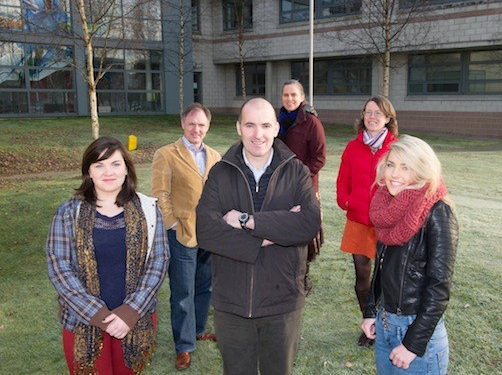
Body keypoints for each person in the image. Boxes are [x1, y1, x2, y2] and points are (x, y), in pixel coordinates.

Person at [196, 97, 321, 375]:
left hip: (282, 302)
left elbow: (308, 224)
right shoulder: (220, 173)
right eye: (250, 125)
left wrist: (246, 221)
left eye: (265, 125)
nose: (258, 134)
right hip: (232, 304)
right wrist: (272, 233)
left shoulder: (297, 171)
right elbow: (206, 231)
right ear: (239, 128)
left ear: (276, 128)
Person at [46, 136, 169, 374]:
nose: (108, 172)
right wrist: (98, 315)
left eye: (115, 164)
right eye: (99, 165)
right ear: (88, 172)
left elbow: (158, 262)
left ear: (126, 169)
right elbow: (59, 267)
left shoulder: (149, 210)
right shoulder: (68, 212)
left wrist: (130, 312)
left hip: (136, 320)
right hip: (82, 321)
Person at [361, 135, 459, 374]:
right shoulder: (386, 207)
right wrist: (372, 311)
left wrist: (412, 344)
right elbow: (382, 268)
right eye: (391, 165)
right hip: (385, 325)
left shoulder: (437, 212)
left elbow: (439, 288)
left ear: (422, 170)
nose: (394, 174)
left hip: (416, 335)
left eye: (406, 167)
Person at [151, 102, 222, 370]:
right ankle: (183, 345)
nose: (196, 129)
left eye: (202, 124)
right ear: (183, 123)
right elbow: (160, 193)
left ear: (208, 127)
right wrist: (172, 224)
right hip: (182, 234)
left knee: (205, 287)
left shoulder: (215, 156)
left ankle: (198, 330)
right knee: (182, 291)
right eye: (192, 123)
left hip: (209, 234)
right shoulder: (166, 154)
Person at [336, 95, 398, 347]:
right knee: (362, 278)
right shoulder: (353, 147)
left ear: (388, 118)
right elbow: (343, 181)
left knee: (387, 280)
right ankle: (369, 324)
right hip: (358, 221)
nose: (372, 117)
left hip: (388, 223)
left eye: (378, 113)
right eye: (368, 112)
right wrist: (346, 201)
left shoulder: (396, 148)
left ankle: (387, 327)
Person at [277, 79, 326, 270]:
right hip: (280, 186)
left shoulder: (311, 122)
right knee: (283, 229)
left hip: (304, 186)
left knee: (305, 232)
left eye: (293, 95)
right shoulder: (278, 121)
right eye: (285, 95)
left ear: (302, 97)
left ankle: (303, 274)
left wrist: (300, 177)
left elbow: (320, 157)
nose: (289, 99)